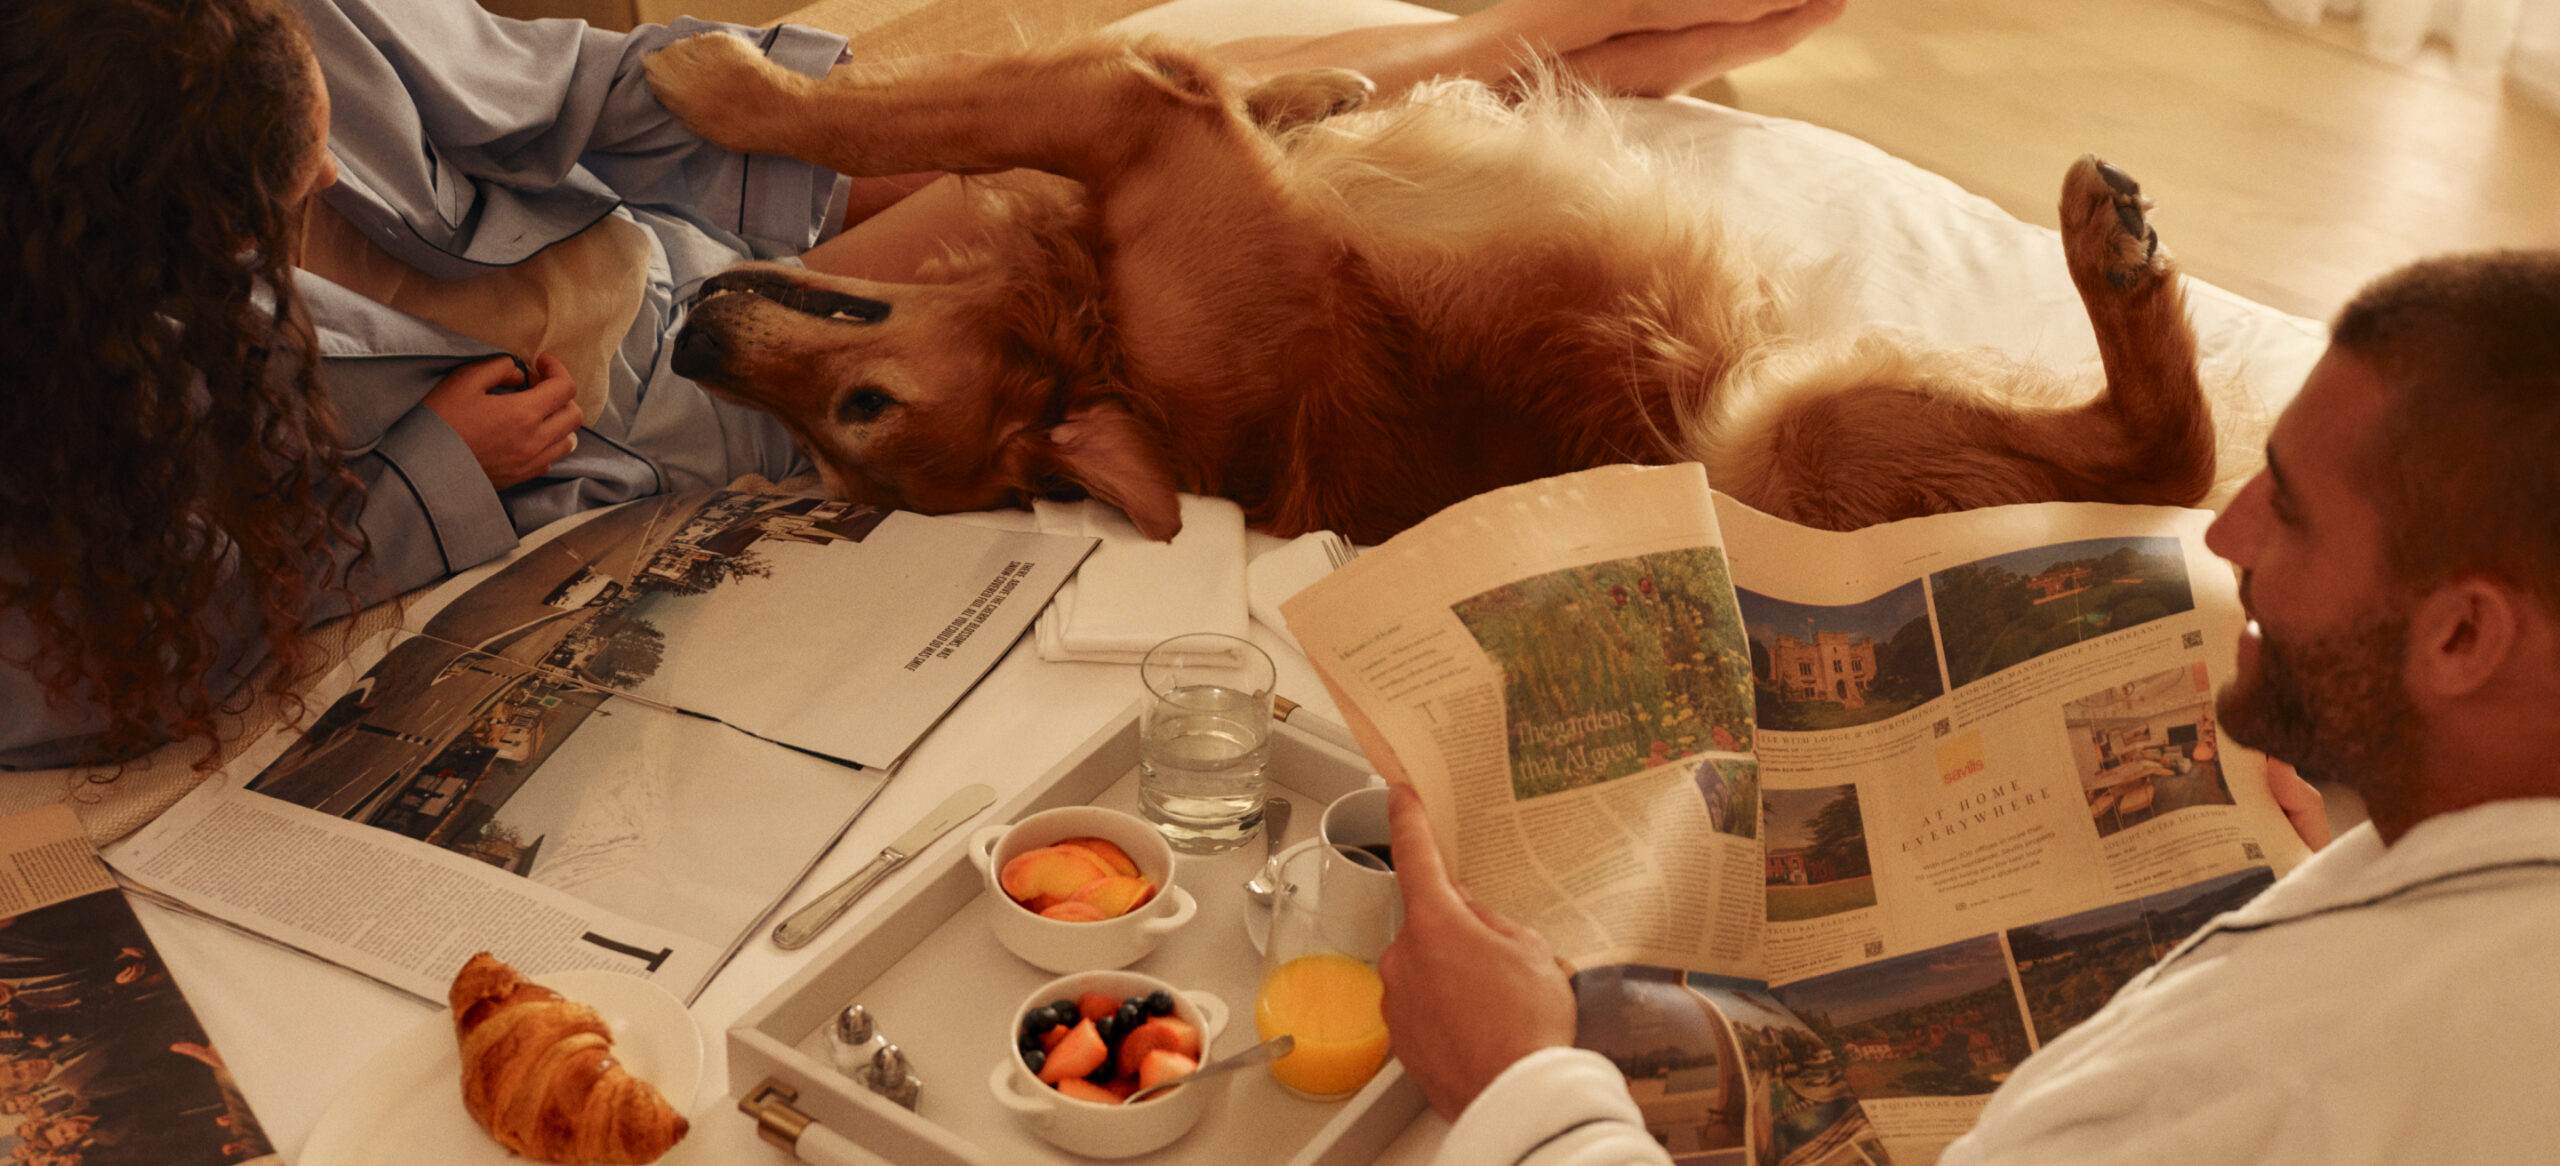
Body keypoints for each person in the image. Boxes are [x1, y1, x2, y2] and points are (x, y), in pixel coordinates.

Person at [0, 0, 1845, 769]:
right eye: (290, 206)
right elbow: (95, 650)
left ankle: (1539, 27)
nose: (329, 185)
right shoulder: (62, 401)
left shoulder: (265, 26)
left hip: (668, 252)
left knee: (1134, 116)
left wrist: (796, 123)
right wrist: (423, 485)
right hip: (629, 405)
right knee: (1134, 220)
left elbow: (573, 107)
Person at [1379, 248, 2560, 1165]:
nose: (2226, 534)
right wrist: (2346, 865)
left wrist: (1517, 1084)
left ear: (2463, 633)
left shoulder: (2288, 1075)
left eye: (2289, 510)